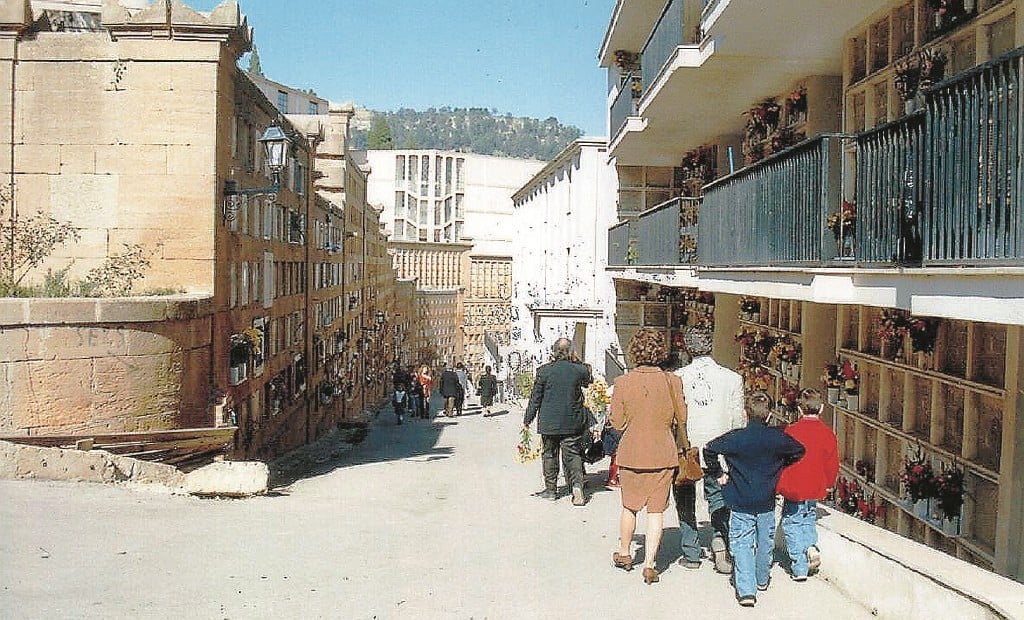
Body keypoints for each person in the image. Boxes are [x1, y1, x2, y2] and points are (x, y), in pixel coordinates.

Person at [704, 392, 805, 608]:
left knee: (742, 544)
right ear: (769, 416)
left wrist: (719, 474)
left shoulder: (735, 437)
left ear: (745, 414)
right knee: (765, 542)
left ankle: (746, 589)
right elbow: (799, 451)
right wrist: (779, 465)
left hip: (739, 499)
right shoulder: (777, 438)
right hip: (767, 500)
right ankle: (762, 579)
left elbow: (709, 449)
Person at [608, 328, 687, 585]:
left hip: (631, 454)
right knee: (656, 511)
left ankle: (625, 552)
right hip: (663, 453)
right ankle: (650, 564)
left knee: (629, 506)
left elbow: (617, 424)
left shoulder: (623, 382)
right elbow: (682, 419)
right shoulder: (672, 381)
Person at [672, 324, 746, 573]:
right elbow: (738, 420)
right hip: (720, 449)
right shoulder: (733, 378)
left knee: (684, 497)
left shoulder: (677, 378)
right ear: (710, 346)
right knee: (719, 497)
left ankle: (691, 552)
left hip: (687, 449)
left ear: (687, 347)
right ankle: (720, 542)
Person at [776, 388, 839, 581]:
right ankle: (811, 546)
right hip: (815, 486)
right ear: (821, 408)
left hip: (794, 486)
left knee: (791, 522)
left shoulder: (791, 431)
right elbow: (832, 462)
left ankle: (800, 566)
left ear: (800, 409)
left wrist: (777, 485)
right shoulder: (828, 434)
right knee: (808, 517)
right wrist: (828, 484)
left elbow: (781, 460)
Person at [523, 337, 592, 506]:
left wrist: (528, 419)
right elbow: (588, 381)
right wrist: (576, 360)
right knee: (573, 454)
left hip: (549, 422)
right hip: (572, 421)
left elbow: (535, 398)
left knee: (549, 454)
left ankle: (551, 490)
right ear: (571, 352)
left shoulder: (544, 371)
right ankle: (577, 487)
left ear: (553, 351)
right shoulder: (579, 370)